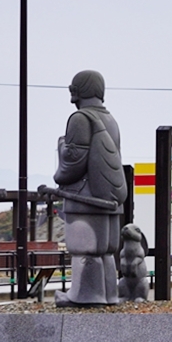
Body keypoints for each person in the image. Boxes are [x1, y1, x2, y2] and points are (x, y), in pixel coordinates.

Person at [54, 69, 127, 305]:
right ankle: (108, 294)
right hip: (110, 198)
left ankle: (84, 294)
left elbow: (73, 163)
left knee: (84, 249)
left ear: (79, 90)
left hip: (85, 199)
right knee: (105, 251)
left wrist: (62, 148)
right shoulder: (111, 119)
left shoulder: (80, 119)